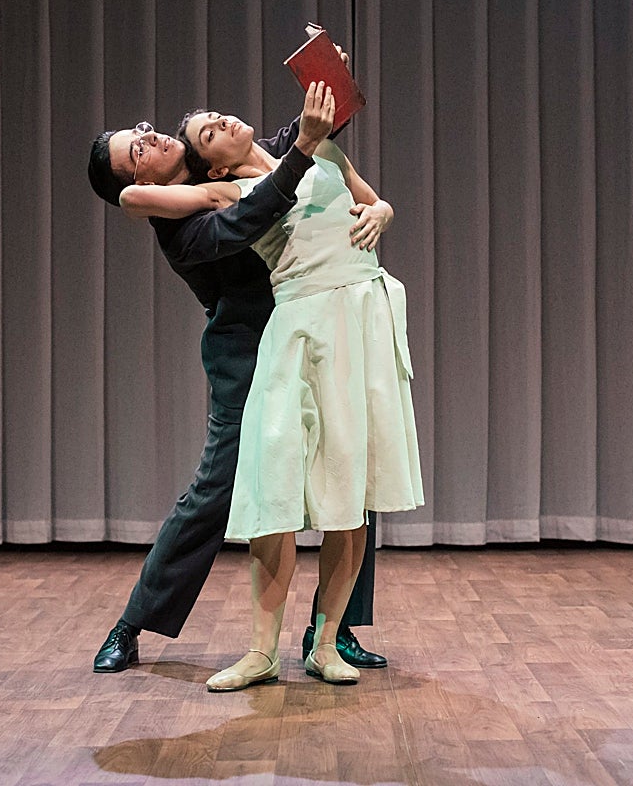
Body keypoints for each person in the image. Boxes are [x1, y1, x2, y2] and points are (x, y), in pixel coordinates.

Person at [122, 85, 423, 690]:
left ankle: (330, 638)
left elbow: (362, 191)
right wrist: (300, 147)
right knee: (258, 488)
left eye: (218, 116)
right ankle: (197, 636)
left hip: (356, 322)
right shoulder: (217, 201)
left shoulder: (313, 149)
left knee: (350, 485)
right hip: (276, 339)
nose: (222, 120)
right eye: (209, 131)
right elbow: (137, 197)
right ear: (213, 165)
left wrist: (383, 209)